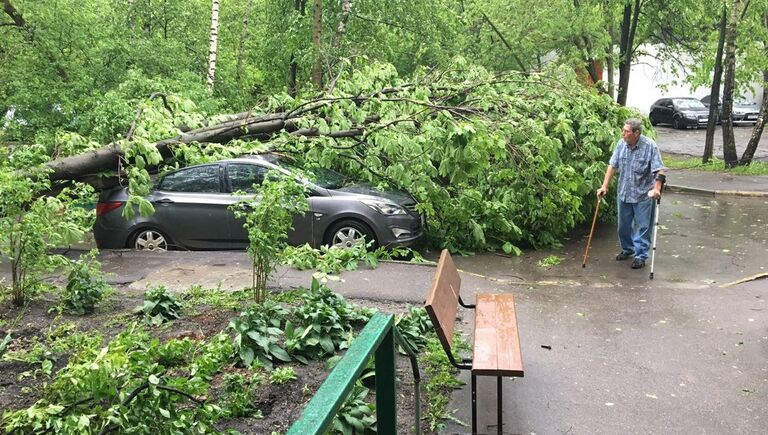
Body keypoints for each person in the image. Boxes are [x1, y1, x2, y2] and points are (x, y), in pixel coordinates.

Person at [597, 118, 665, 269]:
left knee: (643, 227)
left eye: (626, 131)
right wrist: (604, 186)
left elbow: (659, 170)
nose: (623, 134)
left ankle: (641, 255)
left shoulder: (650, 146)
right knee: (623, 226)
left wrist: (657, 189)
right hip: (624, 193)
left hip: (643, 195)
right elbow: (612, 165)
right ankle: (628, 249)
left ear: (637, 133)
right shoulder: (621, 144)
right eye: (624, 130)